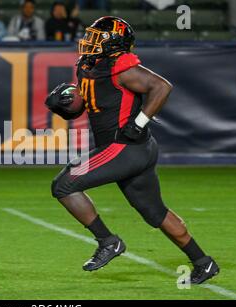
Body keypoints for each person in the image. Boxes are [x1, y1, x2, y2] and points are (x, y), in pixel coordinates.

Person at [46, 16, 219, 284]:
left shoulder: (121, 65)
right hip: (133, 149)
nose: (89, 42)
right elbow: (87, 104)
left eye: (96, 38)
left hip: (124, 147)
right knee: (155, 213)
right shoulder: (89, 65)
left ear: (114, 43)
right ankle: (203, 262)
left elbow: (161, 87)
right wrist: (66, 100)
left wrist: (138, 124)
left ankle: (108, 241)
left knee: (63, 185)